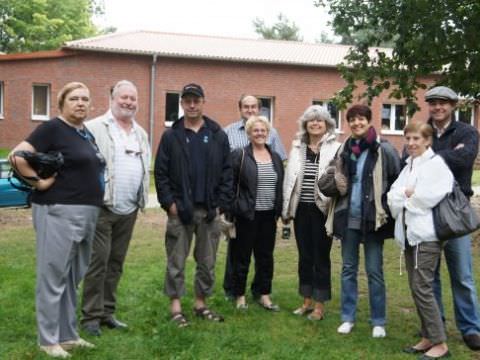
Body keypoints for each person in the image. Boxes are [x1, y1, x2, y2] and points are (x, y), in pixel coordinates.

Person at [9, 82, 104, 358]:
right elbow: (17, 156)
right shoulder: (52, 128)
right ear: (61, 102)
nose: (81, 103)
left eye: (85, 98)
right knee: (53, 276)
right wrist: (38, 183)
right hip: (58, 210)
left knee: (72, 277)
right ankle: (48, 340)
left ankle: (68, 335)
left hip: (86, 212)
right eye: (74, 98)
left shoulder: (84, 132)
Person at [154, 83, 233, 327]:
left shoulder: (218, 135)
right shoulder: (171, 136)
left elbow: (227, 173)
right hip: (181, 211)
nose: (191, 104)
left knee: (207, 262)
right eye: (187, 100)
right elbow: (161, 173)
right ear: (181, 104)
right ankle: (176, 307)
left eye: (195, 100)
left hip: (209, 211)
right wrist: (170, 205)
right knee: (176, 261)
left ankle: (201, 304)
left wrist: (219, 205)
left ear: (203, 102)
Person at [81, 80, 151, 336]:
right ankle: (90, 316)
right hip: (102, 207)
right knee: (98, 263)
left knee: (116, 263)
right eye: (124, 97)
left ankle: (107, 312)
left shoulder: (140, 133)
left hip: (129, 209)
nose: (129, 102)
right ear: (112, 97)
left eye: (133, 98)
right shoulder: (93, 127)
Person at [326, 104, 400, 338]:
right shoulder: (344, 149)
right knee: (348, 269)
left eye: (361, 119)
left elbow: (395, 181)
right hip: (348, 216)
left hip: (373, 219)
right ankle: (348, 317)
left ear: (369, 120)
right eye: (352, 120)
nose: (357, 123)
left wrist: (385, 209)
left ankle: (378, 320)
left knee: (374, 271)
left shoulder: (384, 149)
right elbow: (335, 175)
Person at [388, 122, 453, 359]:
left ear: (428, 140)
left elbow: (429, 197)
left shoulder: (436, 166)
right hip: (409, 234)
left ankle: (440, 344)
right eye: (408, 138)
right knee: (417, 288)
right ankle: (428, 337)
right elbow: (392, 194)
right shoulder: (410, 165)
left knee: (422, 287)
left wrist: (407, 197)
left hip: (426, 236)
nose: (411, 143)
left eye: (417, 138)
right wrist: (407, 195)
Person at [425, 86, 480, 351]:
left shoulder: (467, 132)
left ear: (453, 105)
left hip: (456, 212)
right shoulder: (422, 131)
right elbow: (408, 161)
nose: (437, 108)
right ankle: (436, 325)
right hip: (428, 213)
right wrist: (445, 156)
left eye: (442, 103)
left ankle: (470, 328)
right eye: (433, 103)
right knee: (430, 275)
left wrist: (430, 157)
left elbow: (464, 159)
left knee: (462, 276)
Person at [222, 94, 287, 300]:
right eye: (246, 106)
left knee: (265, 256)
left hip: (268, 213)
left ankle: (262, 293)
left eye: (263, 131)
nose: (260, 133)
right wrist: (230, 207)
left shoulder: (274, 152)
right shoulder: (231, 136)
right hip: (245, 211)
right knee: (239, 255)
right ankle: (235, 293)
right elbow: (227, 177)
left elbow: (281, 175)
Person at [282, 105, 341, 320]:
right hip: (301, 209)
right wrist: (286, 210)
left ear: (327, 125)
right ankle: (306, 301)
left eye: (320, 120)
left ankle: (319, 305)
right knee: (304, 256)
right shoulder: (297, 146)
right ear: (305, 124)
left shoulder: (336, 147)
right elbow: (290, 180)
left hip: (323, 210)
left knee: (321, 257)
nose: (315, 124)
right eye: (311, 120)